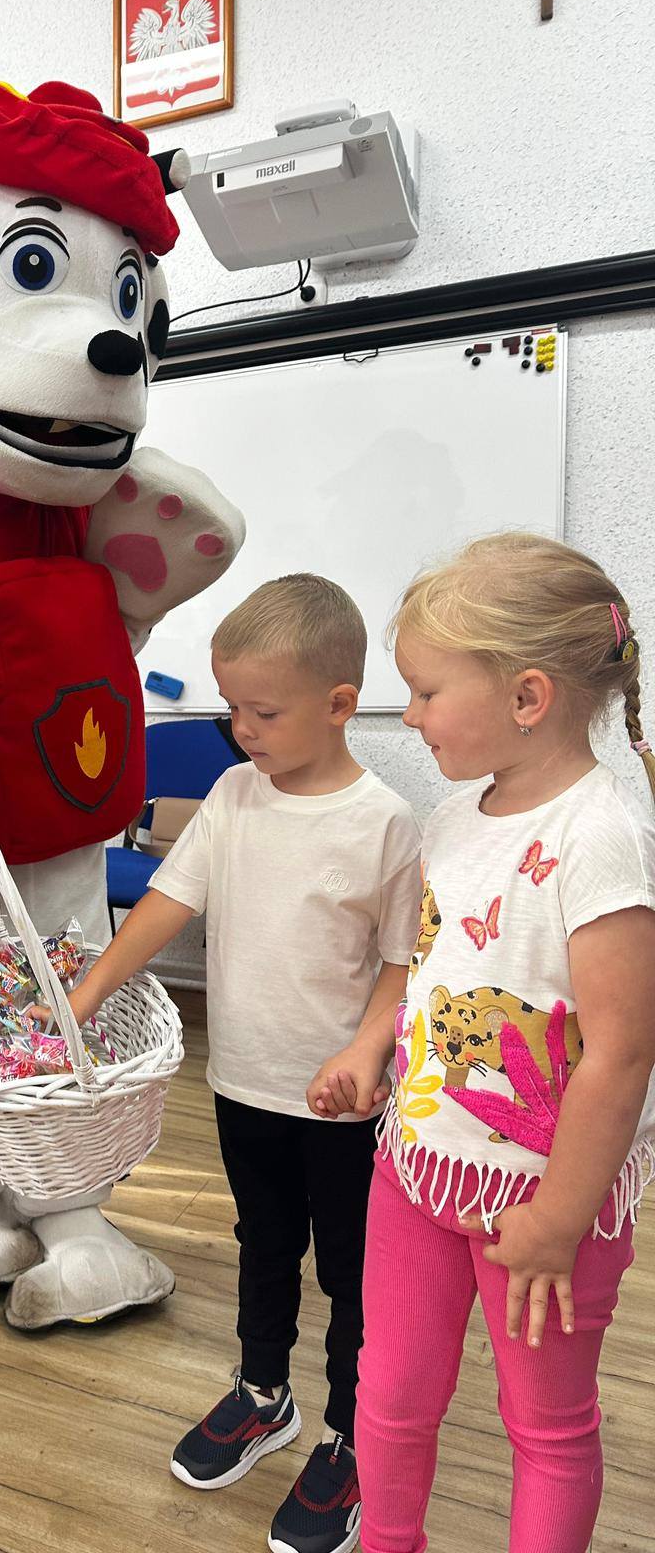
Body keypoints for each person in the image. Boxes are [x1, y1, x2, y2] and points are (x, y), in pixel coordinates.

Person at [310, 532, 655, 1553]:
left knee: (546, 1426)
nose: (409, 716)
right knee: (388, 1394)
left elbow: (623, 1052)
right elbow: (432, 967)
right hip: (418, 1171)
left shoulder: (602, 838)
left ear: (527, 697)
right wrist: (374, 1047)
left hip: (546, 1205)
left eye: (425, 692)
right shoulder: (455, 813)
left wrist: (557, 1220)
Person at [68, 574, 421, 1553]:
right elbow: (167, 903)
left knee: (351, 1273)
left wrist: (364, 1049)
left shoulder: (386, 822)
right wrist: (89, 990)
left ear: (339, 704)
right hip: (243, 1086)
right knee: (262, 1243)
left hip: (341, 1107)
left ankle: (351, 1434)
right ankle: (264, 1393)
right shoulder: (231, 793)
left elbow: (404, 962)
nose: (242, 729)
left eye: (264, 711)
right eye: (233, 707)